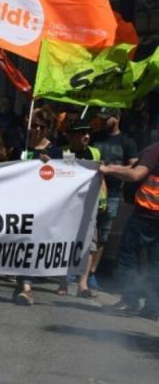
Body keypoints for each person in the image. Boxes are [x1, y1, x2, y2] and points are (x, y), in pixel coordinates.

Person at [100, 142, 159, 321]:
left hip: (146, 213)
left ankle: (130, 301)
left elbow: (135, 174)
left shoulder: (155, 150)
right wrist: (110, 167)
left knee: (128, 257)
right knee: (156, 264)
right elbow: (133, 167)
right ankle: (153, 307)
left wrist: (108, 171)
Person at [14, 106, 63, 305]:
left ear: (48, 128)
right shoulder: (21, 146)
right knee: (18, 244)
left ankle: (27, 286)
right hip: (18, 202)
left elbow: (66, 174)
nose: (37, 130)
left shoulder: (56, 150)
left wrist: (51, 164)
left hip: (41, 205)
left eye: (41, 126)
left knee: (31, 244)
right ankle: (21, 283)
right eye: (33, 125)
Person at [90, 108, 138, 289]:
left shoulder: (127, 142)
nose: (103, 121)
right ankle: (79, 269)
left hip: (113, 194)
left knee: (103, 234)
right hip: (91, 190)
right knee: (87, 229)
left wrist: (111, 169)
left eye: (107, 118)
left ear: (117, 118)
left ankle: (93, 271)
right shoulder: (96, 137)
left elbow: (134, 168)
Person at [61, 123, 104, 298]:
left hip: (89, 204)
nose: (86, 136)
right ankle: (63, 282)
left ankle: (82, 284)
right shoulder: (65, 152)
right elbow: (68, 175)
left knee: (90, 243)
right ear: (71, 136)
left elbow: (100, 175)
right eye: (82, 133)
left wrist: (103, 197)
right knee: (65, 242)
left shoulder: (94, 152)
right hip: (69, 204)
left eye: (88, 133)